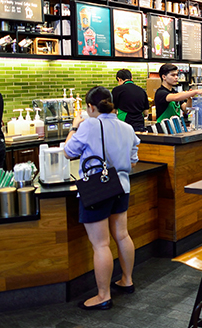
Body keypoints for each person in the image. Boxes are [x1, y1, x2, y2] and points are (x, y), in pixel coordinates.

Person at [64, 86, 141, 310]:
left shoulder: (89, 124)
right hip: (122, 186)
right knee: (122, 235)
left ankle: (103, 296)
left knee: (100, 244)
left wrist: (73, 127)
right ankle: (127, 280)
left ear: (90, 106)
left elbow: (69, 152)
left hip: (97, 188)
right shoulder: (126, 126)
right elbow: (134, 159)